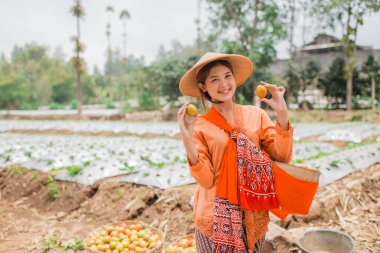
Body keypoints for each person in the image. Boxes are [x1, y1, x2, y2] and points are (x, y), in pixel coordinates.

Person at [177, 52, 294, 253]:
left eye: (227, 76)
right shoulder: (200, 126)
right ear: (203, 86)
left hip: (253, 213)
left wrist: (282, 114)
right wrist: (187, 139)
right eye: (215, 79)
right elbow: (205, 180)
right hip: (214, 218)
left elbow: (282, 157)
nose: (224, 84)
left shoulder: (256, 114)